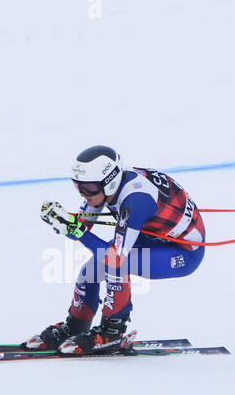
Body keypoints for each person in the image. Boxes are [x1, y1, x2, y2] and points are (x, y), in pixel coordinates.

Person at [24, 145, 206, 355]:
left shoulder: (135, 200)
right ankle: (76, 326)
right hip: (151, 236)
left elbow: (113, 256)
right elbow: (85, 224)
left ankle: (113, 333)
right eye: (78, 187)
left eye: (89, 189)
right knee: (90, 271)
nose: (84, 195)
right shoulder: (106, 187)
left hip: (184, 252)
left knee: (116, 265)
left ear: (109, 184)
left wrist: (77, 230)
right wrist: (64, 220)